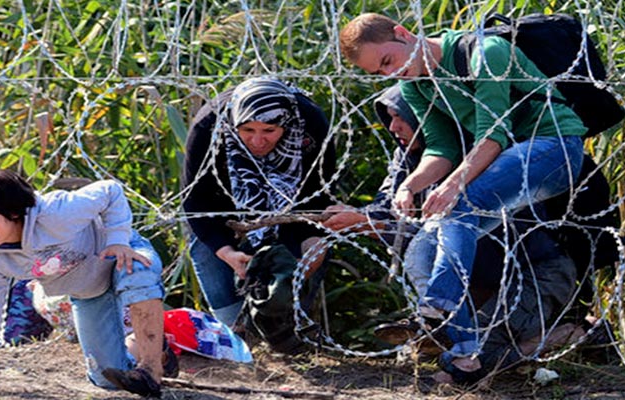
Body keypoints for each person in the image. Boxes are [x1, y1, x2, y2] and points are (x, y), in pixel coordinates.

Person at [339, 14, 588, 380]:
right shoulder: (416, 85)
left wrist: (454, 185)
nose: (391, 75)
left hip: (554, 148)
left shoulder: (485, 52)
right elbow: (442, 148)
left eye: (388, 61)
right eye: (380, 73)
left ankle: (438, 305)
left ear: (403, 34)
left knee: (460, 203)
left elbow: (494, 131)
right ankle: (466, 354)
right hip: (501, 164)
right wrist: (409, 185)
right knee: (421, 250)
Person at [0, 169, 175, 398]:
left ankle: (150, 370)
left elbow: (110, 190)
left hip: (120, 255)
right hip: (90, 291)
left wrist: (117, 239)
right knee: (105, 378)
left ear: (12, 211)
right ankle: (159, 351)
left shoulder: (54, 213)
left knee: (139, 273)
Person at [181, 77, 335, 332]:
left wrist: (310, 245)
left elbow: (318, 195)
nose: (257, 141)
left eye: (269, 131)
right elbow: (196, 200)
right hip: (222, 203)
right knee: (206, 249)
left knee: (306, 259)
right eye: (248, 130)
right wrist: (227, 252)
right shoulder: (208, 128)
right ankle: (233, 332)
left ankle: (287, 326)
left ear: (285, 124)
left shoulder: (310, 123)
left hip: (292, 205)